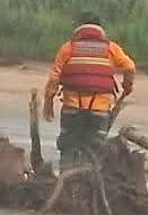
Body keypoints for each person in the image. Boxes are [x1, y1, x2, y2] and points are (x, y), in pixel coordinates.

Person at [42, 14, 136, 169]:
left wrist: (48, 102)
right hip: (99, 109)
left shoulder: (68, 48)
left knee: (68, 146)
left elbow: (54, 77)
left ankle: (66, 179)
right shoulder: (111, 48)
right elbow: (130, 67)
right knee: (96, 149)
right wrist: (127, 87)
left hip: (72, 107)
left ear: (79, 28)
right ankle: (90, 181)